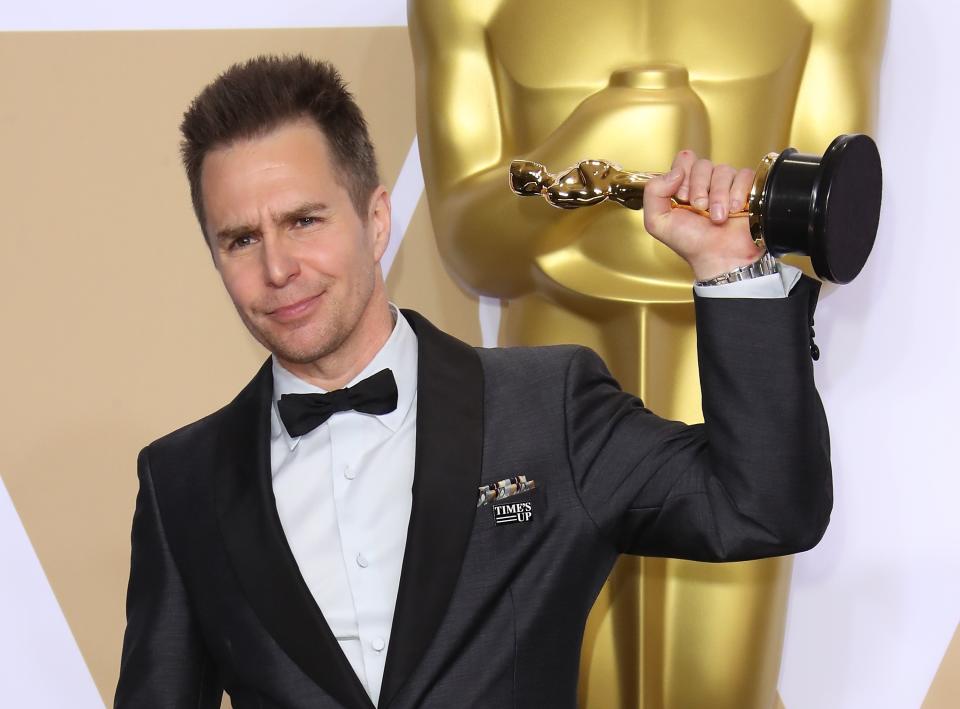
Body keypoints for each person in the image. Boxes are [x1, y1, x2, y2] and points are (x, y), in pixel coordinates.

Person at [114, 54, 831, 709]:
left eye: (304, 220)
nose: (277, 269)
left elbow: (765, 506)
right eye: (241, 239)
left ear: (375, 220)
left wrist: (729, 271)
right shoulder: (183, 483)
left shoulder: (544, 408)